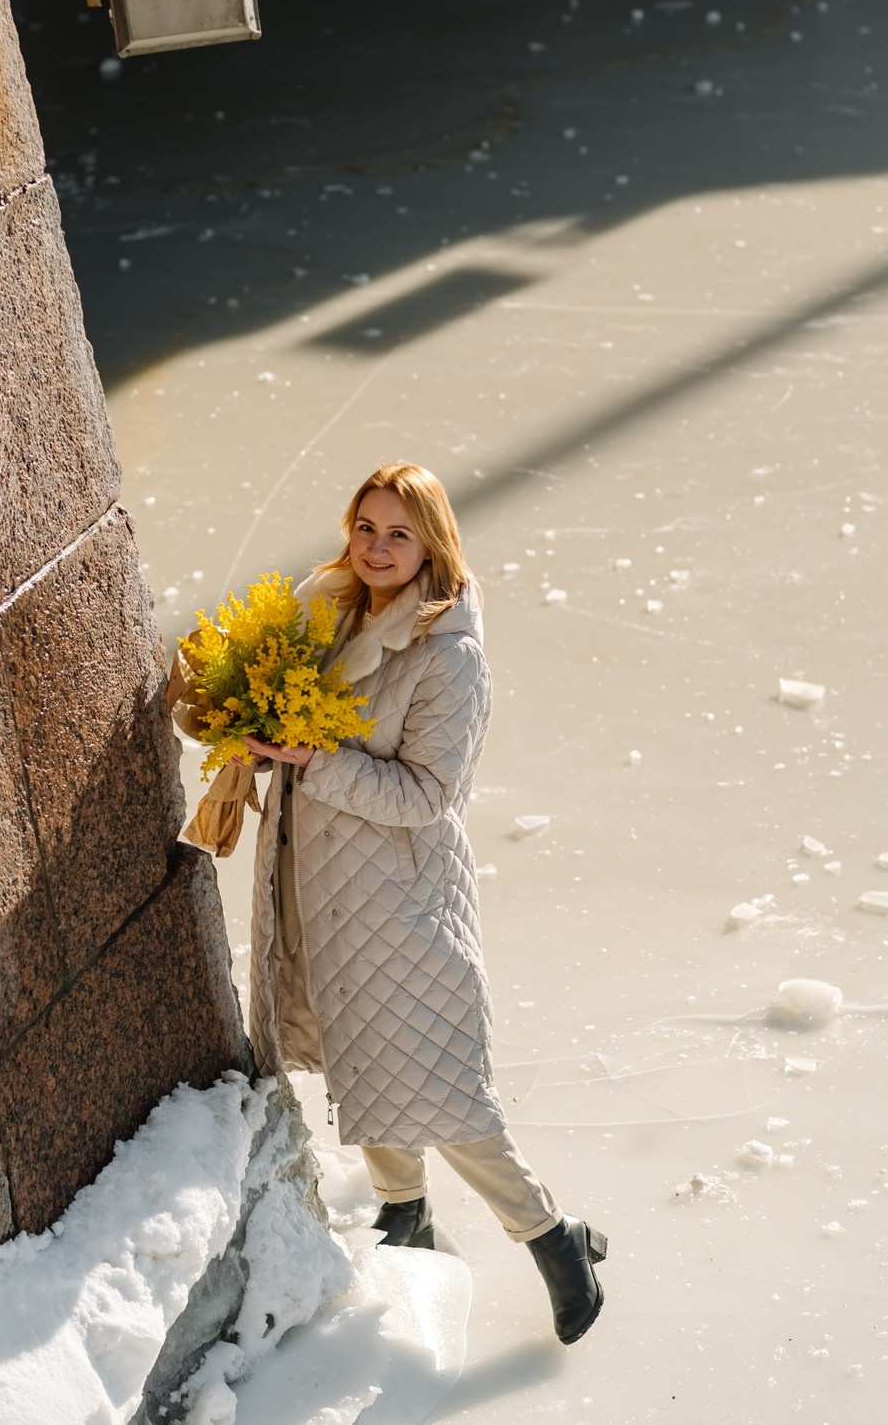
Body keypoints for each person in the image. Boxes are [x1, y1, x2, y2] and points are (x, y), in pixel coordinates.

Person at [241, 461, 607, 1345]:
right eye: (366, 527)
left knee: (440, 1090)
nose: (376, 548)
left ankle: (554, 1239)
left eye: (398, 534)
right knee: (356, 1062)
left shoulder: (449, 653)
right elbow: (292, 737)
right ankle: (404, 1218)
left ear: (433, 543)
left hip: (398, 900)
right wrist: (254, 739)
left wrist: (310, 756)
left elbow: (424, 797)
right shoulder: (321, 608)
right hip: (312, 882)